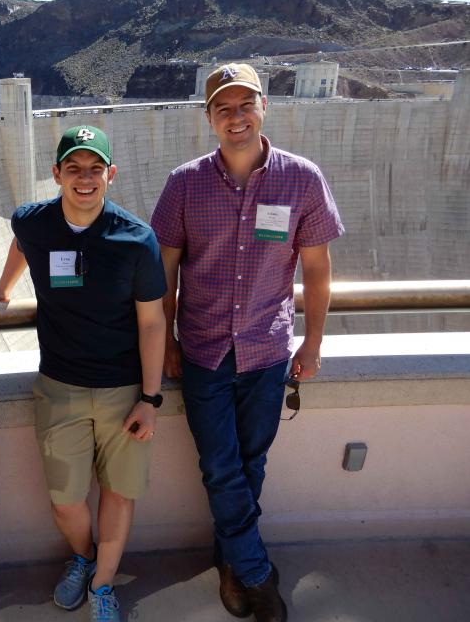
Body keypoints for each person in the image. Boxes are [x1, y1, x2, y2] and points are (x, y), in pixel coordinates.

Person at [150, 63, 345, 622]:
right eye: (223, 108)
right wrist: (167, 342)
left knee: (251, 462)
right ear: (208, 116)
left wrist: (312, 344)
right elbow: (165, 269)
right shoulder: (184, 183)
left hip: (267, 349)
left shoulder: (302, 178)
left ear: (265, 107)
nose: (235, 118)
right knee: (220, 466)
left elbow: (317, 268)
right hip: (204, 350)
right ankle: (257, 572)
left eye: (245, 105)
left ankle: (231, 560)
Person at [0, 125, 167, 622]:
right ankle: (84, 557)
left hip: (124, 390)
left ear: (111, 174)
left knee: (118, 491)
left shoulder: (136, 239)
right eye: (74, 168)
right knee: (66, 499)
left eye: (95, 169)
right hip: (60, 388)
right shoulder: (33, 221)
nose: (84, 178)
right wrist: (5, 287)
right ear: (57, 174)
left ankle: (103, 584)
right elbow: (22, 242)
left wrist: (150, 400)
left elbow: (153, 322)